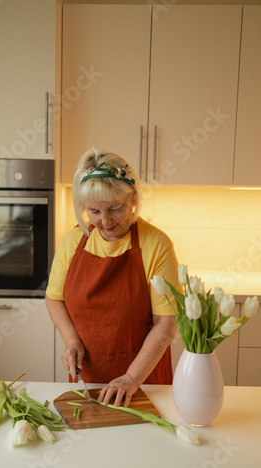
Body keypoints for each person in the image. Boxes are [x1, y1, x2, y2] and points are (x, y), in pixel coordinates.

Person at [45, 148, 180, 407]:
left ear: (133, 199)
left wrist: (131, 378)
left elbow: (165, 324)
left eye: (115, 209)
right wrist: (71, 340)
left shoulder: (157, 245)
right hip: (89, 378)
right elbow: (54, 299)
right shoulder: (73, 241)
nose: (105, 221)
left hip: (145, 380)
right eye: (93, 211)